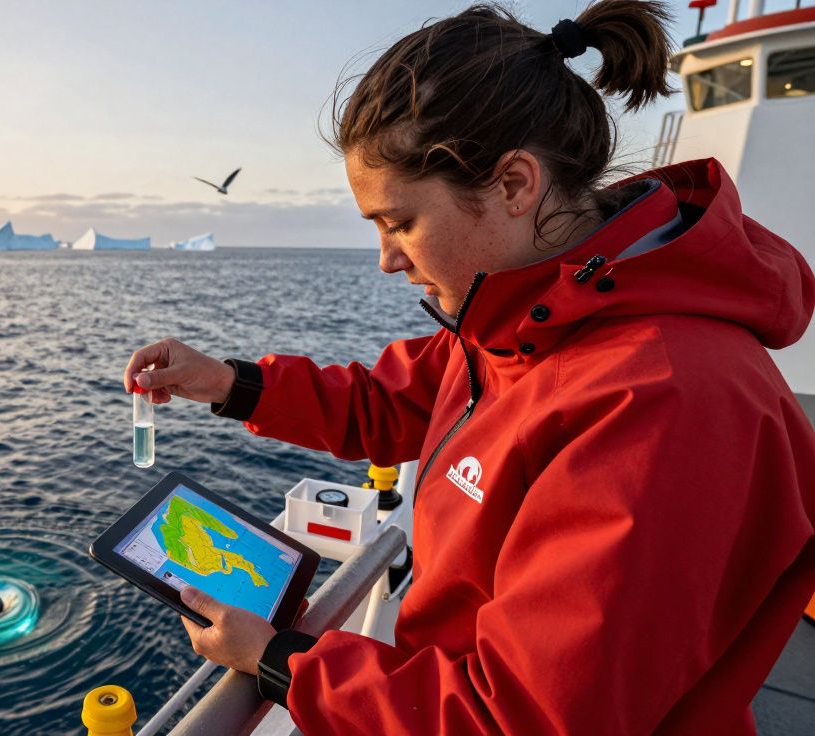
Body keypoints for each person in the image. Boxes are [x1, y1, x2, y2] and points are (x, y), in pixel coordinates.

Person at [121, 1, 815, 733]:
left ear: (514, 185)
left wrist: (281, 664)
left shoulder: (661, 403)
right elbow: (390, 404)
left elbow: (522, 716)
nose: (387, 259)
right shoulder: (528, 324)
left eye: (401, 222)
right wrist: (228, 383)